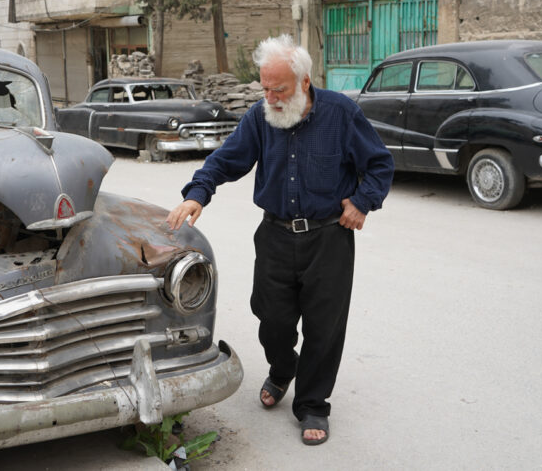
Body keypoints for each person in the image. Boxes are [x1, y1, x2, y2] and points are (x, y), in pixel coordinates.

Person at [166, 34, 394, 446]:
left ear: (304, 82)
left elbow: (379, 164)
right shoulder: (260, 116)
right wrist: (197, 193)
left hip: (329, 237)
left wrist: (362, 202)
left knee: (325, 327)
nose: (270, 97)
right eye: (264, 88)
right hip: (274, 234)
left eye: (279, 89)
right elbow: (226, 159)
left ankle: (312, 404)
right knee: (272, 318)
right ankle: (283, 366)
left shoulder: (341, 113)